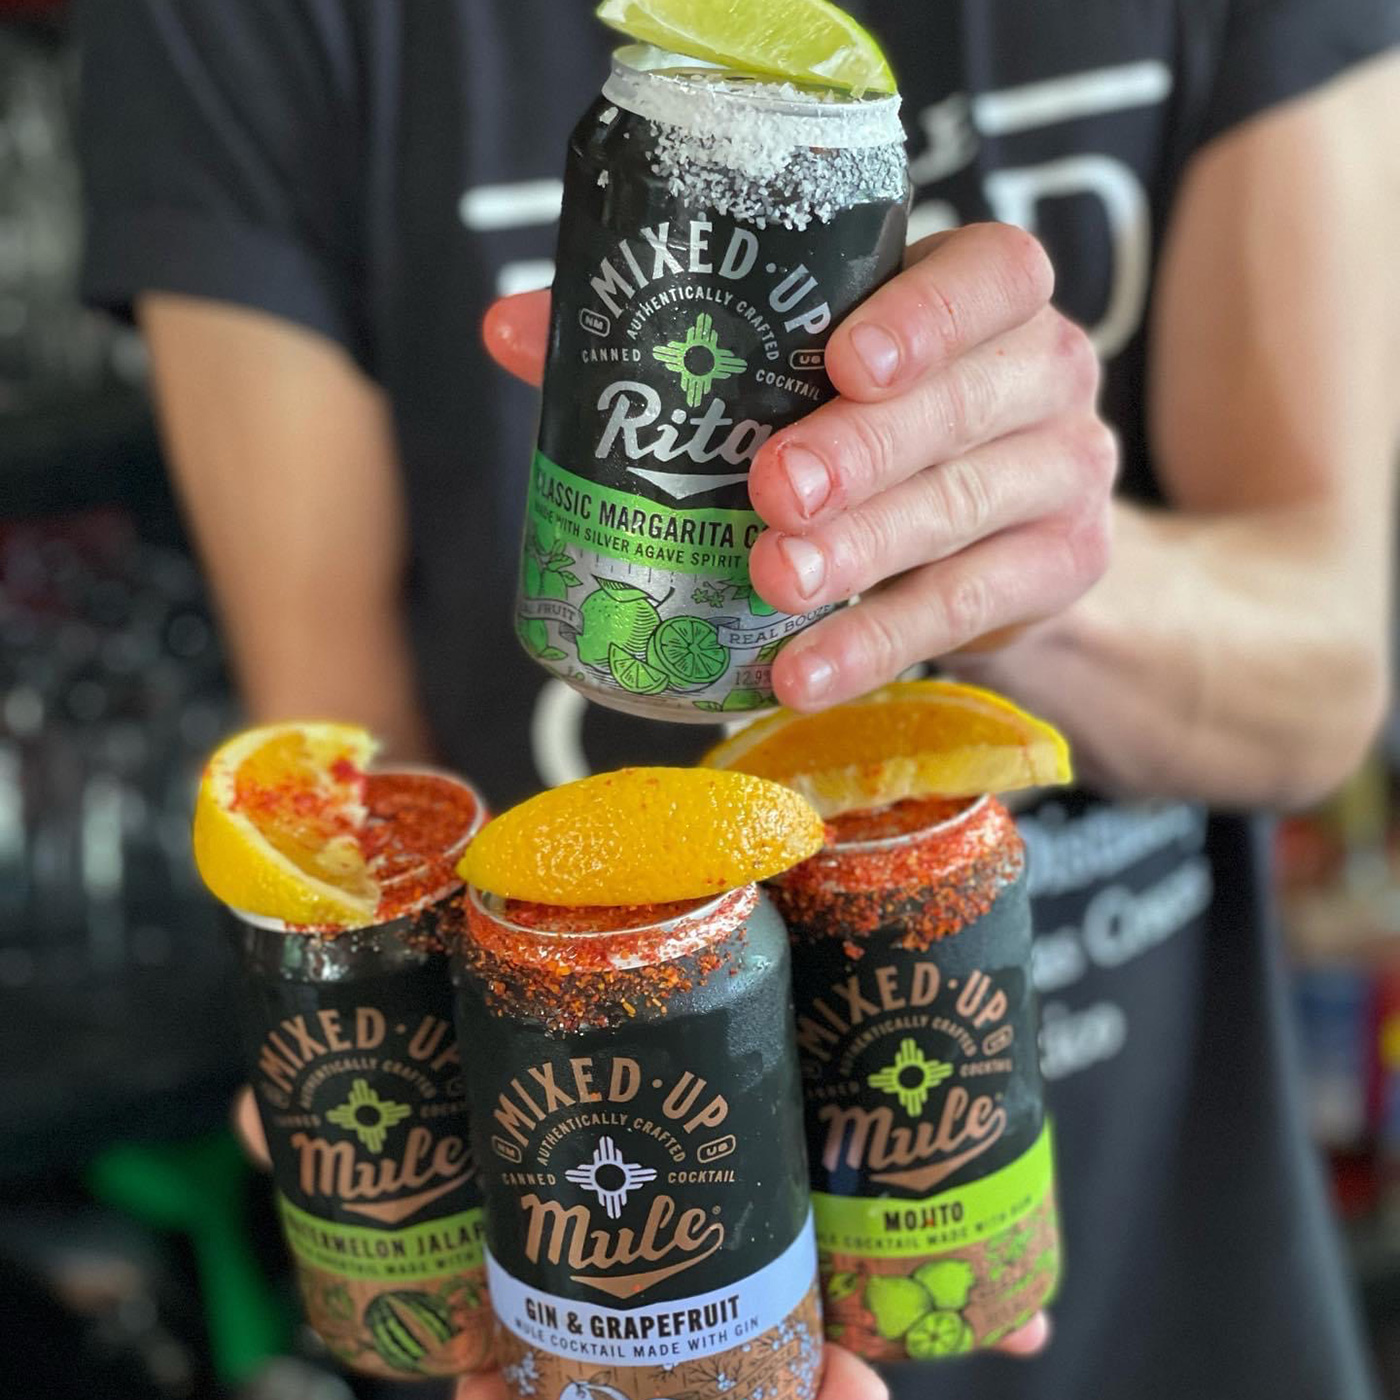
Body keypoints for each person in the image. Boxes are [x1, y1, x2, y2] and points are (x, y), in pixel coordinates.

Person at [75, 1, 1399, 1398]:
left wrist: (1031, 570)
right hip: (602, 1237)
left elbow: (1326, 685)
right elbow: (348, 768)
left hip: (1174, 1258)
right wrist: (377, 1090)